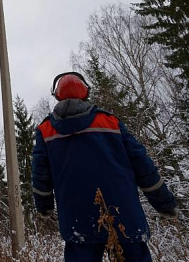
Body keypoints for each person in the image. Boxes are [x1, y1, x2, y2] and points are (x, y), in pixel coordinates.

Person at [32, 72, 177, 262]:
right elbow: (142, 164)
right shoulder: (110, 122)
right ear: (85, 93)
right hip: (124, 214)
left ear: (56, 95)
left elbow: (40, 174)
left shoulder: (45, 130)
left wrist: (44, 206)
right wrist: (164, 202)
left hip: (77, 219)